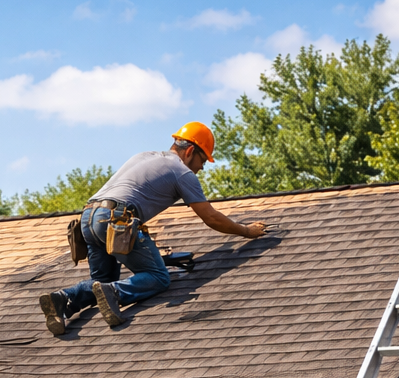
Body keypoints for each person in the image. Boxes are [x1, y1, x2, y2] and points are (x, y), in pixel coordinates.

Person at [39, 121, 268, 333]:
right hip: (115, 219)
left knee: (103, 281)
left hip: (88, 218)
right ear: (190, 151)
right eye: (203, 160)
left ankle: (62, 299)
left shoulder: (144, 156)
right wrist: (246, 231)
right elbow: (211, 217)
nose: (201, 168)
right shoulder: (182, 173)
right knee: (158, 277)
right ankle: (116, 293)